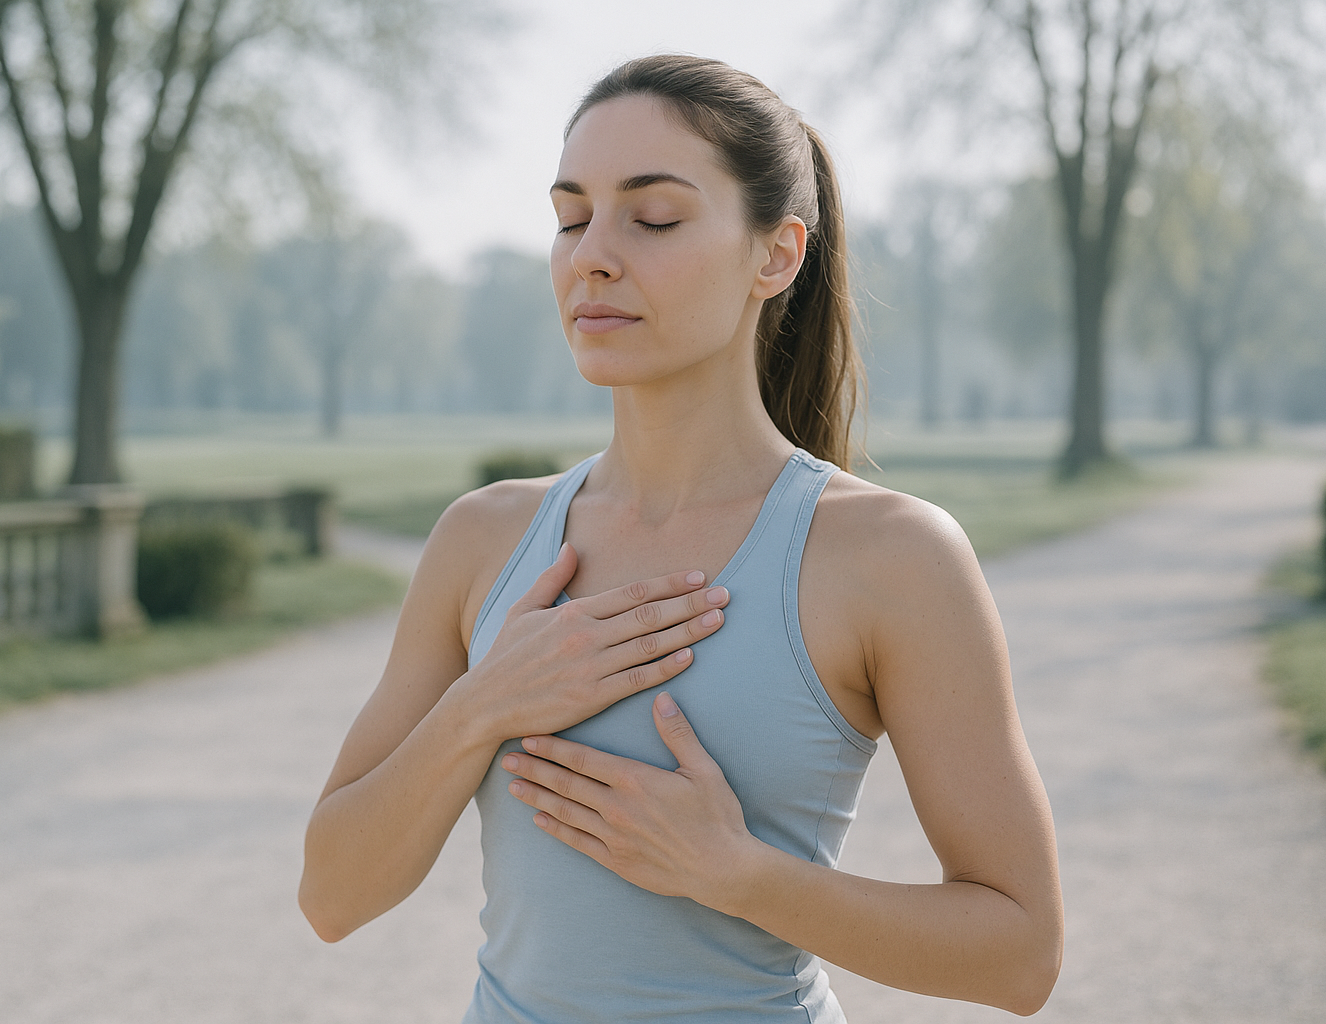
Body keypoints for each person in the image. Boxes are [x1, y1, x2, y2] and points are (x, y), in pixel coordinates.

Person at [299, 54, 1063, 1022]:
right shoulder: (481, 539)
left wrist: (737, 874)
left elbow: (1020, 955)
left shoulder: (890, 556)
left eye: (652, 218)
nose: (591, 255)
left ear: (775, 256)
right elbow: (332, 896)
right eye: (571, 217)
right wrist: (481, 705)